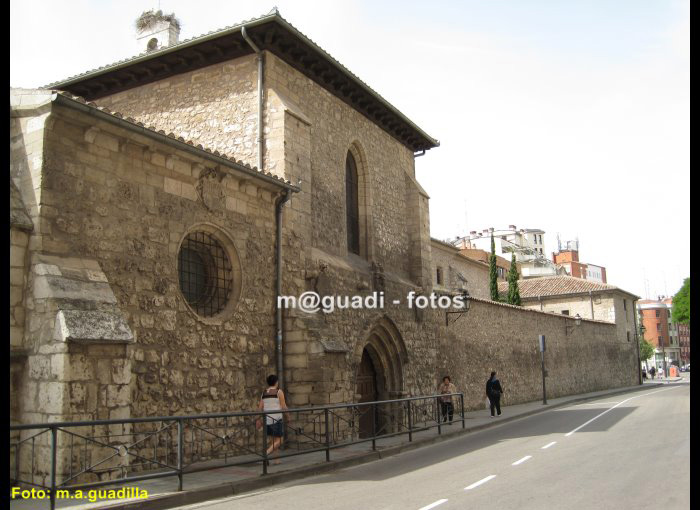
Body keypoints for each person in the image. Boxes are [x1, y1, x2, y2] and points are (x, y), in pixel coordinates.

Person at [257, 374, 288, 464]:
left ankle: (277, 460)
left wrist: (258, 419)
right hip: (276, 419)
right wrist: (288, 416)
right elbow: (283, 406)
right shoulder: (279, 392)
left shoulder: (264, 393)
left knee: (274, 441)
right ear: (276, 382)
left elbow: (260, 408)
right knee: (280, 440)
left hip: (267, 420)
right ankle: (265, 454)